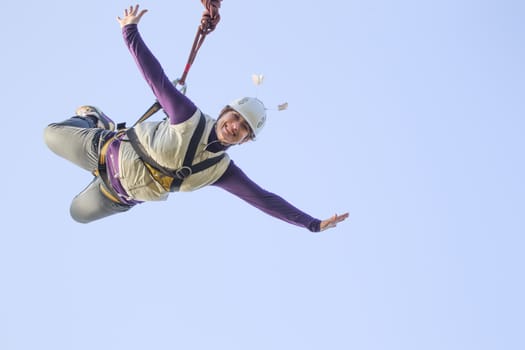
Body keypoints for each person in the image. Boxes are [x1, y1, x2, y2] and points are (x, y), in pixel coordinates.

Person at [43, 5, 349, 232]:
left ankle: (101, 149)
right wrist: (130, 31)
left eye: (243, 129)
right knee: (50, 134)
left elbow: (264, 200)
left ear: (244, 140)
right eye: (235, 118)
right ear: (224, 112)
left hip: (118, 194)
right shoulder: (187, 116)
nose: (234, 127)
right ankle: (96, 120)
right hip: (105, 149)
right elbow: (155, 78)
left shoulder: (221, 172)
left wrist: (312, 223)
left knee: (76, 213)